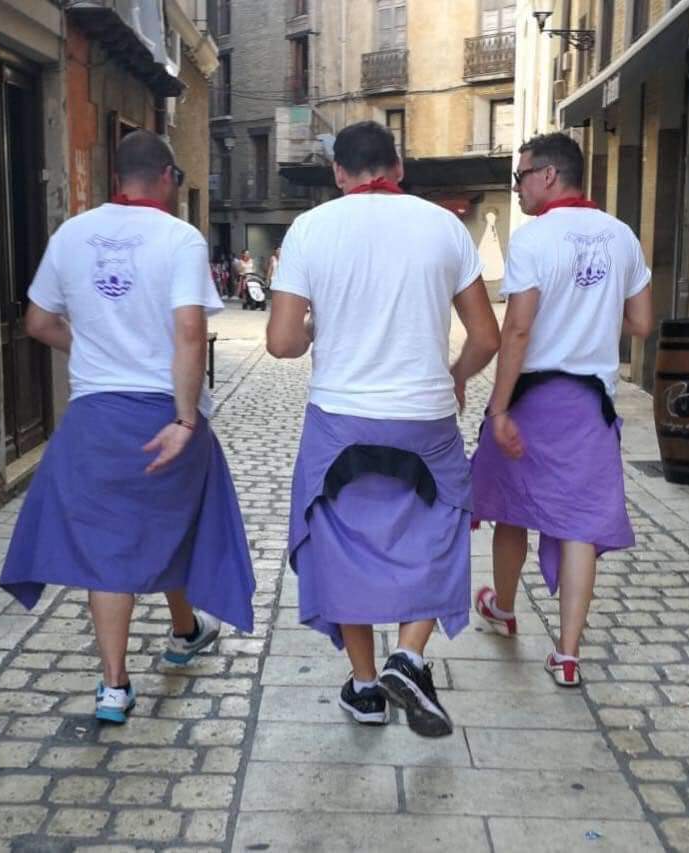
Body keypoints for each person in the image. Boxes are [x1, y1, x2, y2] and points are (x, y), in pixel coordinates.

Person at [0, 130, 255, 723]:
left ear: (117, 177)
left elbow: (38, 321)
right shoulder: (179, 238)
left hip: (93, 416)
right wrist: (187, 418)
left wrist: (86, 343)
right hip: (163, 409)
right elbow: (190, 334)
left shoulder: (72, 235)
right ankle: (185, 631)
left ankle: (114, 685)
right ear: (167, 176)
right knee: (180, 526)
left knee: (108, 549)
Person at [267, 120, 500, 737]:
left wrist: (322, 330)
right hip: (423, 417)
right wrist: (455, 375)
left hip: (340, 417)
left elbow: (283, 342)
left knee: (340, 545)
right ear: (398, 167)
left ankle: (367, 687)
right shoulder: (445, 227)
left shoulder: (309, 229)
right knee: (441, 524)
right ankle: (410, 654)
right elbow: (486, 338)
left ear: (339, 174)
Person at [471, 132, 653, 688]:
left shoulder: (535, 240)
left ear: (549, 175)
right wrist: (592, 323)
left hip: (533, 400)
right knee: (580, 526)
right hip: (590, 407)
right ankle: (568, 653)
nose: (518, 188)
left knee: (511, 509)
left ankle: (503, 609)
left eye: (521, 176)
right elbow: (643, 324)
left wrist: (498, 408)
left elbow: (518, 328)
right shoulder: (622, 236)